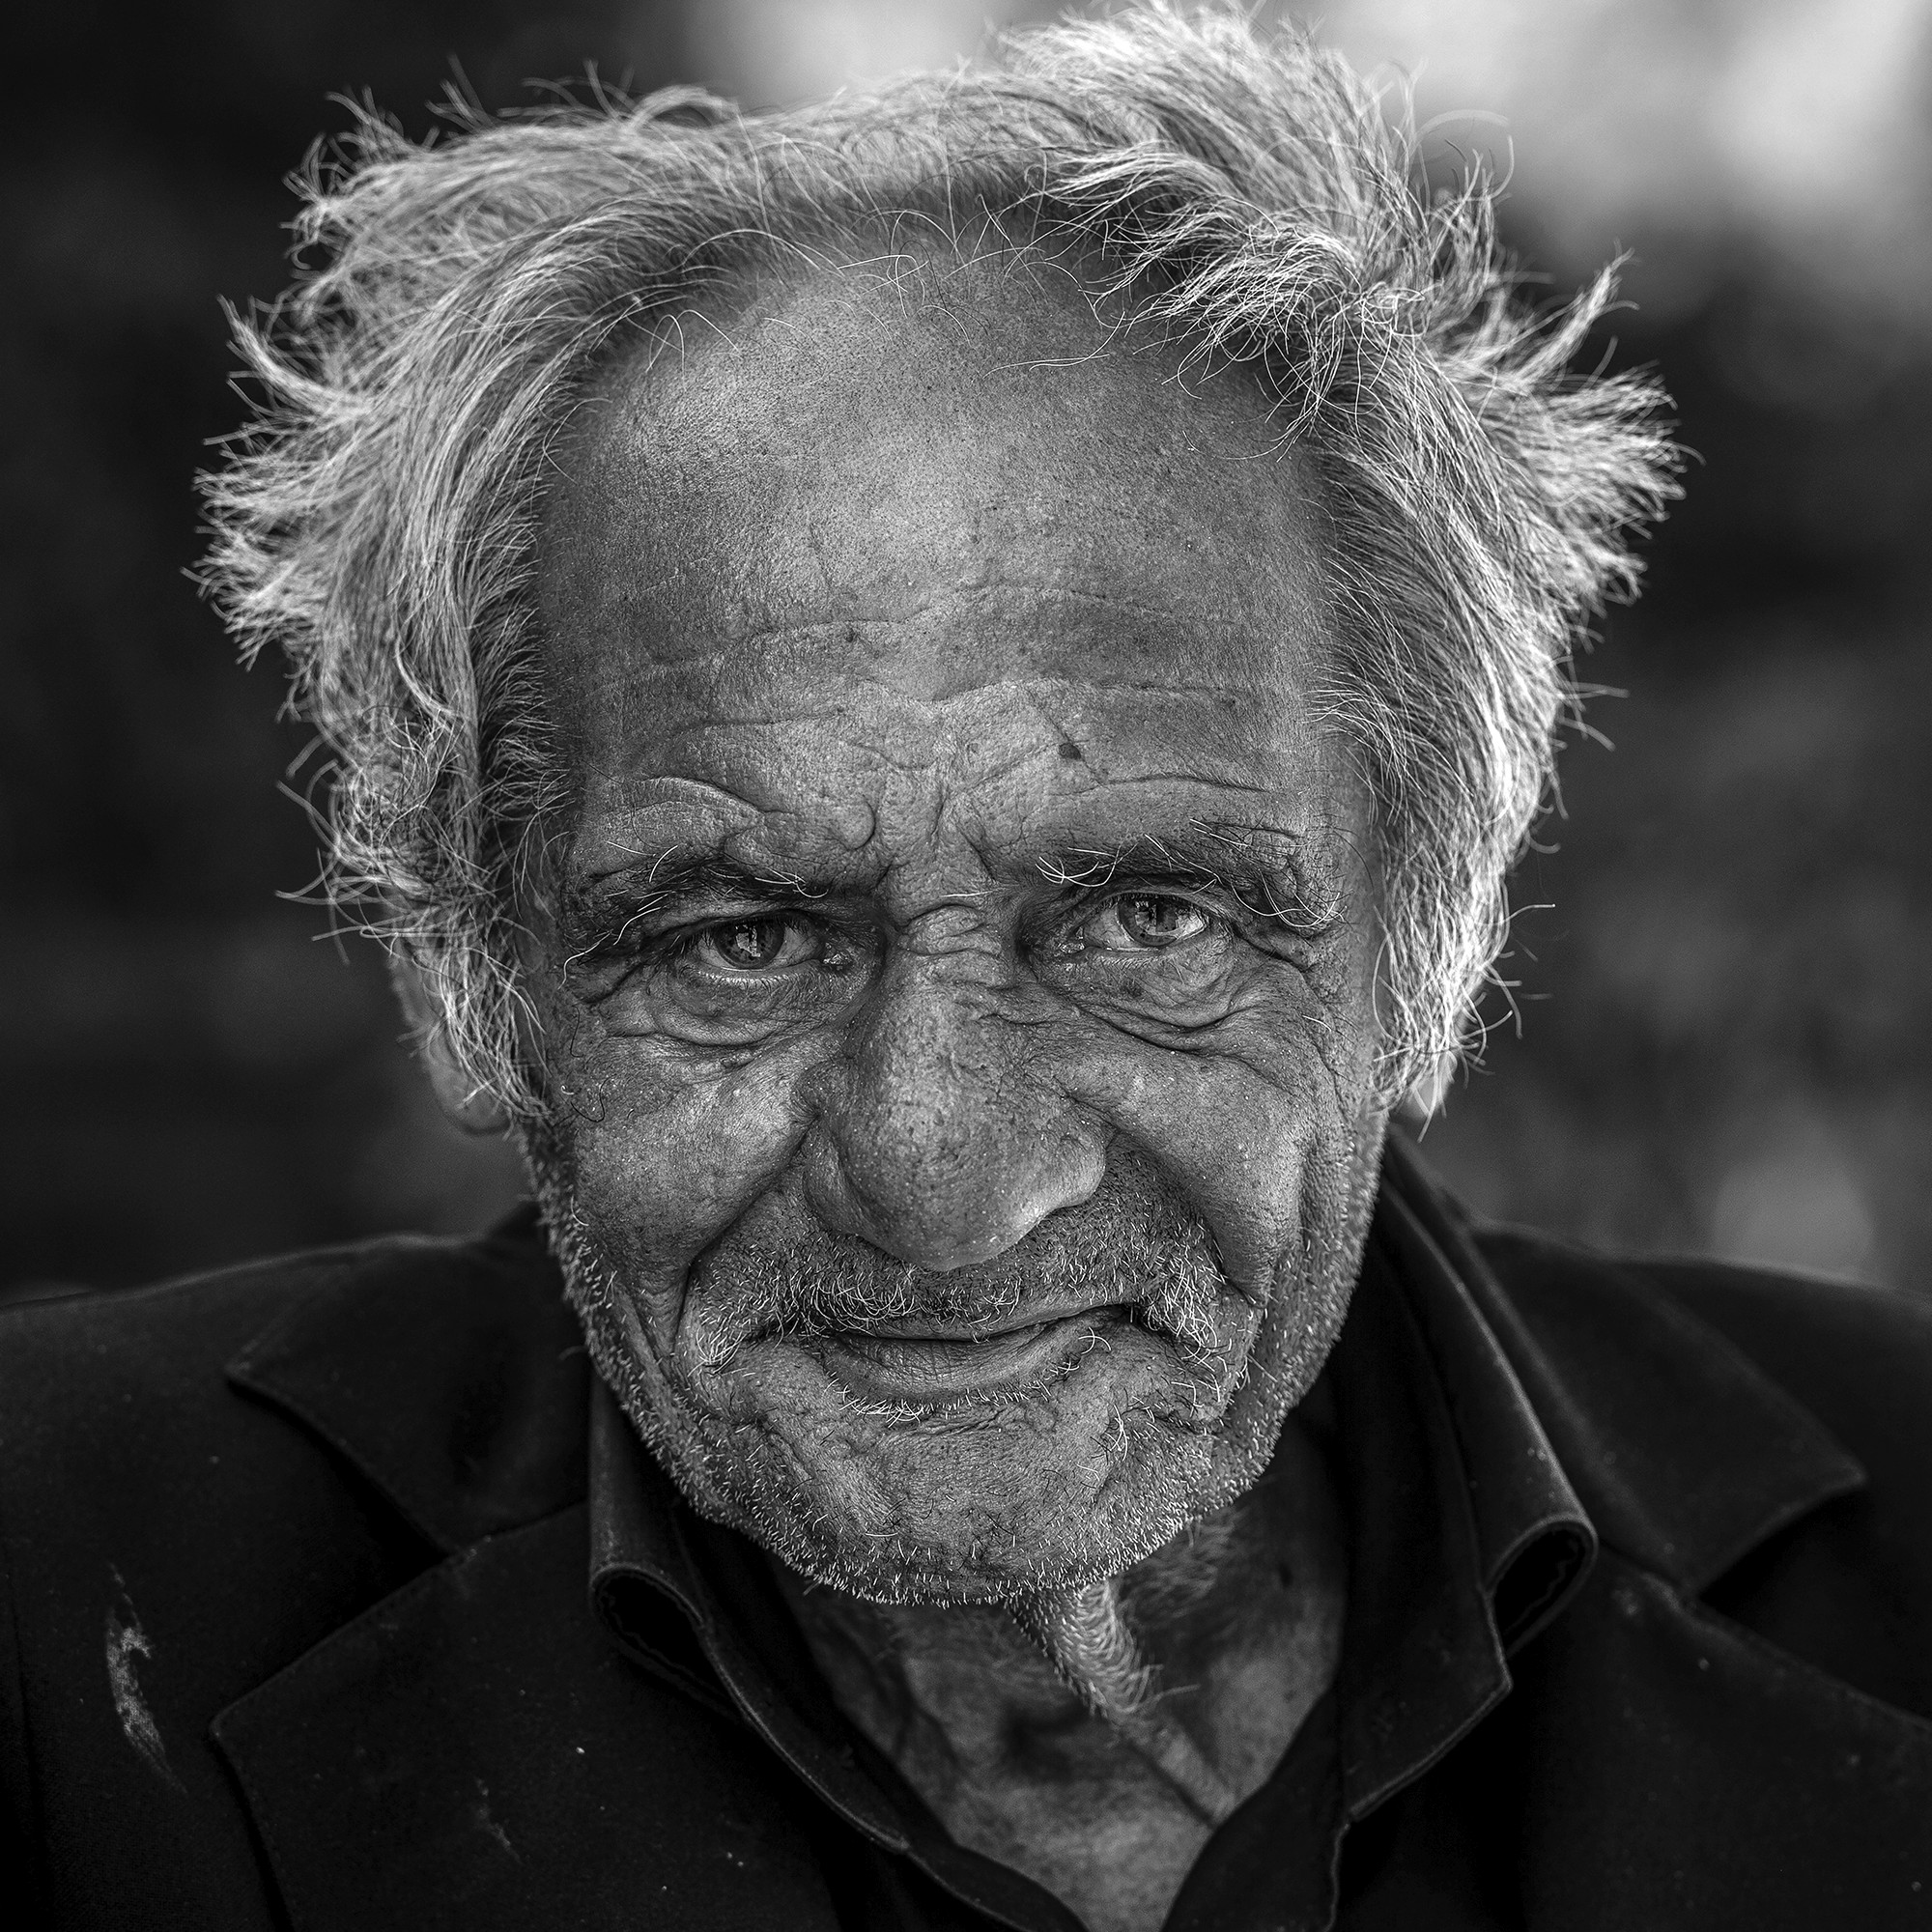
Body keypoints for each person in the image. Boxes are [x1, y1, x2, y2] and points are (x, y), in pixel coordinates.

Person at [4, 7, 1928, 1927]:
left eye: (1145, 920)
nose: (944, 1175)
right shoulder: (62, 1603)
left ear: (1426, 940)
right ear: (474, 973)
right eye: (743, 936)